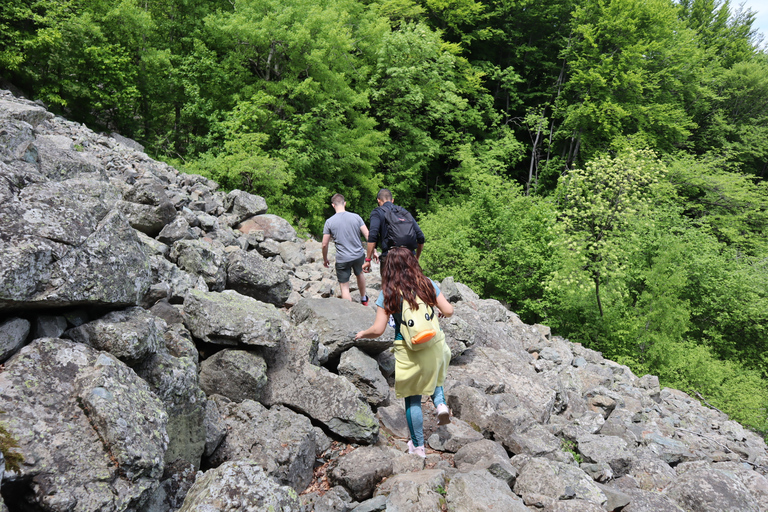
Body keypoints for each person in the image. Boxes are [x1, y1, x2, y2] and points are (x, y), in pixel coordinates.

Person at [355, 247, 453, 458]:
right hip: (435, 344)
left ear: (388, 268)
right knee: (435, 372)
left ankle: (418, 447)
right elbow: (449, 311)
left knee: (413, 399)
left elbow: (378, 329)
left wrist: (362, 334)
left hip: (409, 350)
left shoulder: (388, 293)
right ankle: (440, 403)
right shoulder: (427, 283)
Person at [362, 188, 425, 274]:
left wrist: (368, 260)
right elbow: (421, 237)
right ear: (392, 200)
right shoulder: (404, 211)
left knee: (389, 287)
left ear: (378, 200)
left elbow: (373, 236)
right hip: (408, 257)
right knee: (408, 286)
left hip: (390, 258)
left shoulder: (377, 212)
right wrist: (416, 258)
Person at [322, 193, 370, 305]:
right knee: (360, 273)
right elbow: (368, 236)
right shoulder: (356, 217)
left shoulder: (329, 222)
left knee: (344, 287)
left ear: (333, 205)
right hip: (358, 255)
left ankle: (349, 308)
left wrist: (325, 259)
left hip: (342, 258)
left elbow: (324, 244)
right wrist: (374, 252)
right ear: (345, 203)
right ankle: (363, 298)